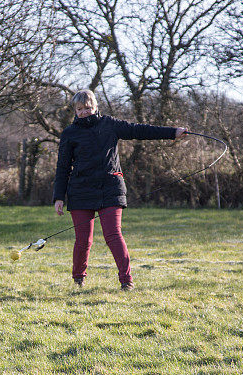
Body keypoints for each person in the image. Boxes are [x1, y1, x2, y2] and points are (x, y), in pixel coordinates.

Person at [53, 89, 187, 290]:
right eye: (80, 109)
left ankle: (126, 281)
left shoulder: (110, 125)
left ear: (95, 107)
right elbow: (63, 167)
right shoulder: (70, 133)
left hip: (110, 188)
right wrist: (58, 197)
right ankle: (78, 279)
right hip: (80, 191)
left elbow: (139, 130)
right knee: (83, 240)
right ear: (75, 110)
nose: (84, 112)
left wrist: (172, 132)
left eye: (88, 107)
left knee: (113, 235)